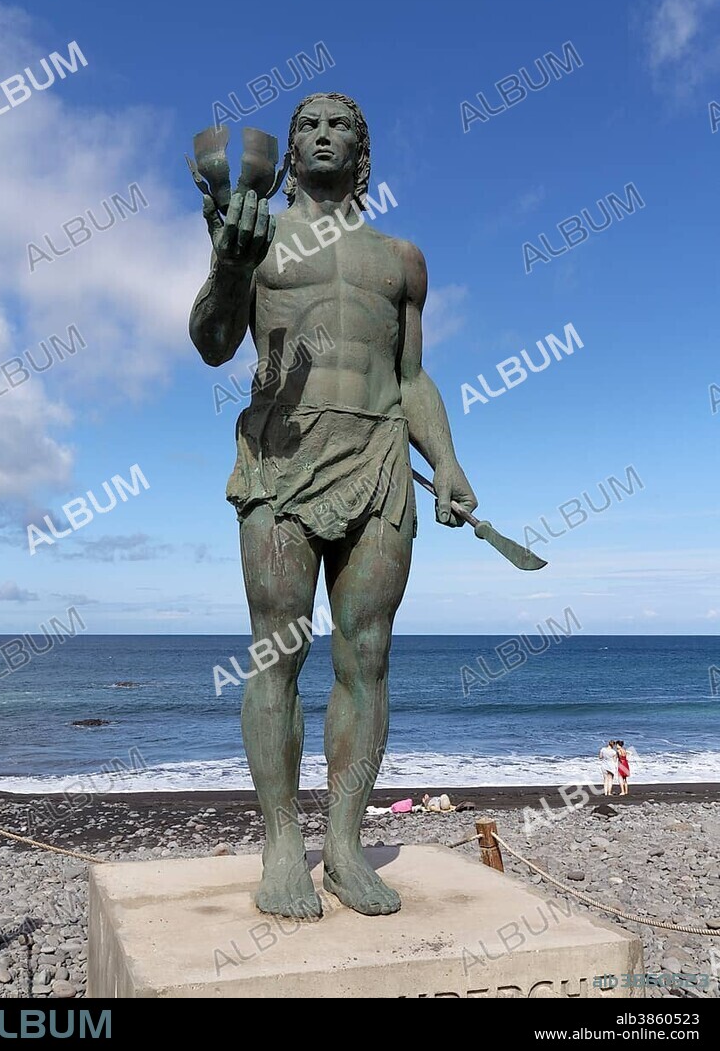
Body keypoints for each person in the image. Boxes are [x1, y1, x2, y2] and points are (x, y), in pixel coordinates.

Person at [189, 93, 477, 918]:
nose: (321, 134)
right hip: (280, 458)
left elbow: (411, 377)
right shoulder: (255, 233)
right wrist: (230, 266)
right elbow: (211, 342)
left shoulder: (402, 259)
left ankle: (346, 848)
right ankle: (283, 847)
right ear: (286, 152)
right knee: (277, 651)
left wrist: (448, 462)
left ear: (364, 151)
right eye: (307, 126)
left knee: (367, 654)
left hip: (382, 458)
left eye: (339, 125)